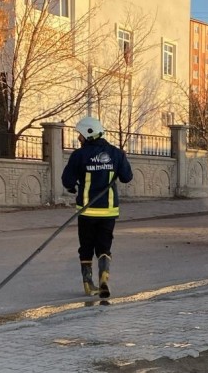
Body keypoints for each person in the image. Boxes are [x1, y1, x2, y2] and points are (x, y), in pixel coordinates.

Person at [61, 115, 133, 298]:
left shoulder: (79, 155)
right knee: (104, 246)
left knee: (86, 247)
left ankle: (88, 284)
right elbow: (127, 177)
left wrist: (73, 186)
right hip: (108, 211)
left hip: (86, 211)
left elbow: (67, 181)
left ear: (88, 133)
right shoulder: (116, 154)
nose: (79, 138)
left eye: (80, 135)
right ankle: (104, 277)